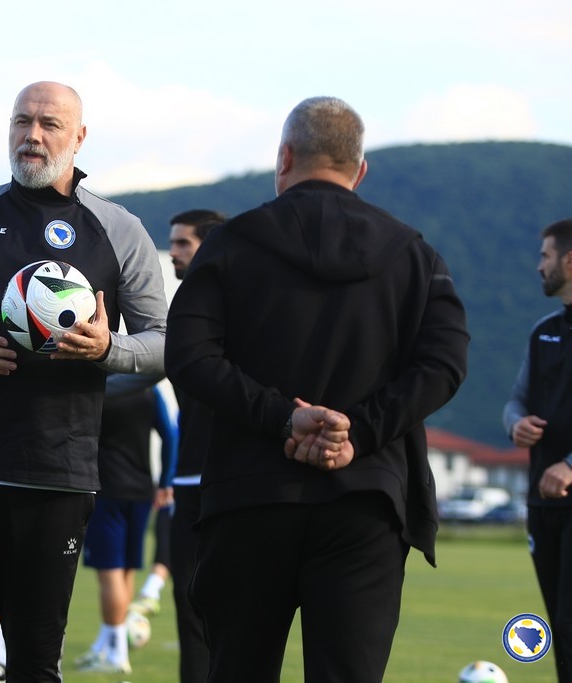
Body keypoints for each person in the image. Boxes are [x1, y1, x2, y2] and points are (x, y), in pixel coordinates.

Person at [165, 96, 469, 682]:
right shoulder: (412, 252)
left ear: (284, 157)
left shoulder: (231, 244)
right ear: (360, 169)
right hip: (366, 501)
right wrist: (359, 432)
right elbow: (445, 362)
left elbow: (190, 355)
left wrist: (282, 417)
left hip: (249, 497)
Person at [0, 80, 168, 683]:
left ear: (79, 136)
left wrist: (108, 349)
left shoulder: (118, 230)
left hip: (54, 476)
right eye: (21, 121)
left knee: (34, 659)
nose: (32, 135)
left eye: (49, 124)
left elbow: (164, 343)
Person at [503, 217, 572, 682]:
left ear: (570, 260)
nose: (538, 265)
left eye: (545, 256)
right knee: (558, 630)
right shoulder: (543, 331)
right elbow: (515, 402)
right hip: (541, 504)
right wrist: (517, 425)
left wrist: (570, 465)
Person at [162, 208, 227, 683]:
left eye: (182, 243)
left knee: (234, 610)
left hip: (230, 481)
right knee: (188, 603)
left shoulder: (241, 305)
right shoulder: (184, 305)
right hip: (187, 480)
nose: (173, 253)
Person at [75, 373, 176, 674]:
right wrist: (165, 482)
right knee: (126, 572)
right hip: (142, 492)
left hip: (107, 491)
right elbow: (171, 434)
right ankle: (106, 645)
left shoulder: (100, 388)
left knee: (110, 575)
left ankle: (117, 653)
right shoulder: (149, 389)